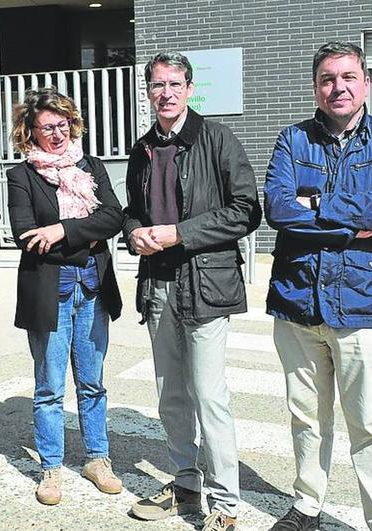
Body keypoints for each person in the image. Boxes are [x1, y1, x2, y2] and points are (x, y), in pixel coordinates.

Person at [264, 41, 372, 531]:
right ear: (316, 86)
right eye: (328, 79)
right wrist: (353, 220)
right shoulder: (293, 140)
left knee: (370, 424)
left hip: (363, 303)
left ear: (366, 83)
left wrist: (318, 206)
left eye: (349, 77)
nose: (339, 87)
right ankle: (307, 503)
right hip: (298, 302)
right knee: (307, 417)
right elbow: (278, 209)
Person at [122, 52, 262, 531]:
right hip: (158, 287)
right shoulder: (142, 150)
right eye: (157, 85)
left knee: (209, 396)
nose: (166, 93)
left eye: (174, 84)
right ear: (148, 92)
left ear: (189, 88)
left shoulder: (217, 139)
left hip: (205, 286)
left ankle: (225, 504)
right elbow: (133, 211)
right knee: (171, 396)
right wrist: (134, 231)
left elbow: (246, 210)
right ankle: (185, 483)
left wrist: (181, 233)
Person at [6, 87, 124, 506]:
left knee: (92, 382)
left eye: (62, 125)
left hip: (92, 286)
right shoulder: (21, 175)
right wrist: (84, 235)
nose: (56, 135)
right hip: (49, 290)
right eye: (46, 128)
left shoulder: (90, 166)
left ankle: (97, 458)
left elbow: (114, 217)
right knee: (50, 385)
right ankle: (51, 467)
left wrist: (60, 231)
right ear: (29, 133)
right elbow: (25, 234)